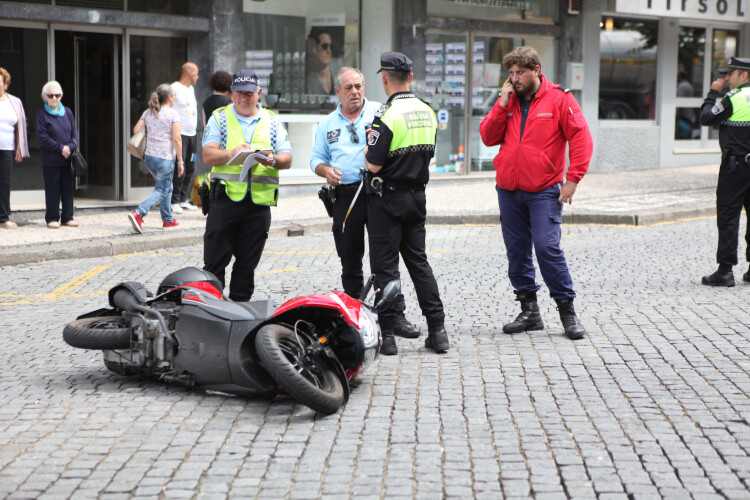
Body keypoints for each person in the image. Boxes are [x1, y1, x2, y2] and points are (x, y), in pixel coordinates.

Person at [479, 46, 593, 341]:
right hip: (508, 189)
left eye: (520, 73)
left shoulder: (559, 98)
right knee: (517, 251)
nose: (514, 79)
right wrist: (502, 103)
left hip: (544, 190)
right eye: (511, 74)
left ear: (536, 71)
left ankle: (567, 312)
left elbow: (580, 137)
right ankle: (530, 312)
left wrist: (573, 179)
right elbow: (488, 136)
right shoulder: (509, 100)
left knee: (546, 247)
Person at [310, 66, 420, 340]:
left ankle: (395, 317)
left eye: (358, 86)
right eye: (348, 88)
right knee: (350, 257)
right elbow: (315, 159)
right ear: (338, 91)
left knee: (385, 259)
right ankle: (354, 316)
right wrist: (326, 171)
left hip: (378, 193)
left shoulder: (381, 112)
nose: (355, 92)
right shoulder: (327, 124)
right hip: (345, 197)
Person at [364, 52, 449, 355]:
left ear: (384, 78)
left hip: (387, 198)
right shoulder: (427, 110)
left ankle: (387, 336)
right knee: (419, 263)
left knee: (385, 267)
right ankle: (438, 330)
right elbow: (430, 155)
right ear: (410, 78)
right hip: (417, 196)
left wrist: (367, 148)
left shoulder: (386, 115)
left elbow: (373, 165)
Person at [202, 69, 292, 301]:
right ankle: (212, 312)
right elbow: (208, 156)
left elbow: (287, 159)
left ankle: (240, 313)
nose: (244, 97)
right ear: (232, 93)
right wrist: (232, 153)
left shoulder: (272, 121)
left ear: (259, 93)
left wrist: (271, 160)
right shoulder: (220, 117)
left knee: (246, 267)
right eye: (240, 92)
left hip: (258, 207)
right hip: (224, 203)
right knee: (214, 264)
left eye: (249, 93)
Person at [699, 56, 750, 287]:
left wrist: (712, 93)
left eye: (731, 73)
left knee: (728, 217)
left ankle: (725, 271)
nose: (726, 77)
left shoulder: (734, 98)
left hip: (736, 168)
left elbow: (706, 118)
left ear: (744, 75)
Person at [127, 84, 184, 234]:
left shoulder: (148, 112)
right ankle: (139, 213)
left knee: (167, 186)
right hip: (165, 157)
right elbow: (177, 139)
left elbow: (135, 130)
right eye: (174, 96)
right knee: (162, 188)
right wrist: (181, 161)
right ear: (170, 97)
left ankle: (168, 219)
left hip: (150, 157)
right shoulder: (173, 114)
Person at [35, 81, 80, 229]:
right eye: (51, 95)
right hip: (51, 160)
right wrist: (61, 148)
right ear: (45, 97)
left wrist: (71, 147)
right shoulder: (41, 115)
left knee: (67, 189)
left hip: (67, 159)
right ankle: (52, 218)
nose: (54, 98)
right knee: (52, 189)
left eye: (57, 95)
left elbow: (75, 133)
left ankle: (67, 217)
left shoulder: (67, 112)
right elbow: (43, 138)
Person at [0, 67, 29, 229]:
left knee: (4, 183)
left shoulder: (15, 101)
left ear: (6, 84)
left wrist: (19, 148)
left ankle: (3, 218)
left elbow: (21, 127)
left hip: (7, 148)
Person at [170, 62, 199, 214]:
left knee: (190, 165)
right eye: (196, 73)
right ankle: (173, 201)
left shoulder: (191, 88)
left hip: (192, 133)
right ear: (189, 73)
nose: (198, 77)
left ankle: (182, 199)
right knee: (179, 168)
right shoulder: (174, 87)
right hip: (180, 134)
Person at [306, 28, 335, 96]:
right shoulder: (310, 82)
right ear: (315, 50)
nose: (329, 51)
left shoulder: (338, 74)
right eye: (324, 46)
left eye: (331, 46)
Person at [676, 71, 695, 139]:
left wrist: (677, 116)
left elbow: (681, 102)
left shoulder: (682, 86)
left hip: (684, 116)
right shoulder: (687, 85)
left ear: (681, 77)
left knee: (682, 134)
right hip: (688, 115)